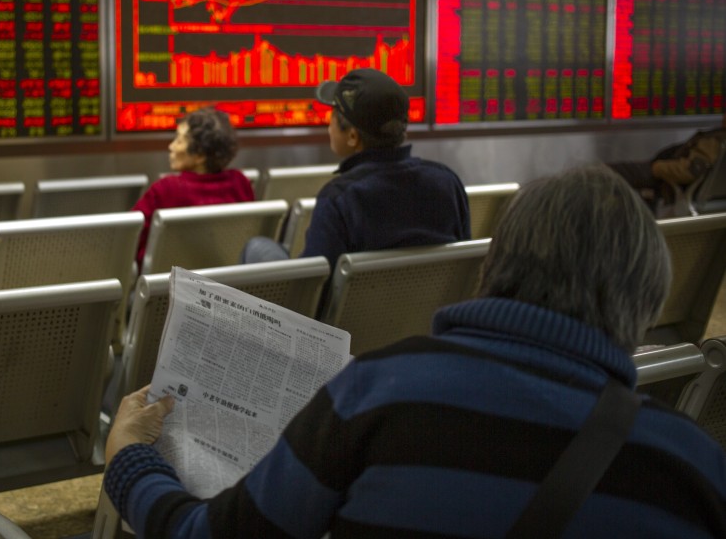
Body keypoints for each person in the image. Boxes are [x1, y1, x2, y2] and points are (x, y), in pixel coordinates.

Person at [103, 165, 726, 537]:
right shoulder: (695, 469)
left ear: (494, 265)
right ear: (646, 301)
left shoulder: (377, 393)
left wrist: (131, 460)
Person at [243, 67, 470, 269]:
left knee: (257, 247)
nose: (329, 126)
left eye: (332, 116)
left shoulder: (339, 199)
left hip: (342, 318)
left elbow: (312, 293)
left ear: (352, 136)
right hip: (426, 313)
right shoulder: (447, 182)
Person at [132, 107, 254, 267]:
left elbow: (129, 240)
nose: (171, 146)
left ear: (200, 155)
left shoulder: (166, 190)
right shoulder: (240, 183)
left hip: (169, 288)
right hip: (226, 285)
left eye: (179, 140)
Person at [609, 111, 726, 212]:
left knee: (615, 173)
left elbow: (690, 171)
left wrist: (657, 168)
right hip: (670, 175)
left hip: (666, 178)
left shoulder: (716, 141)